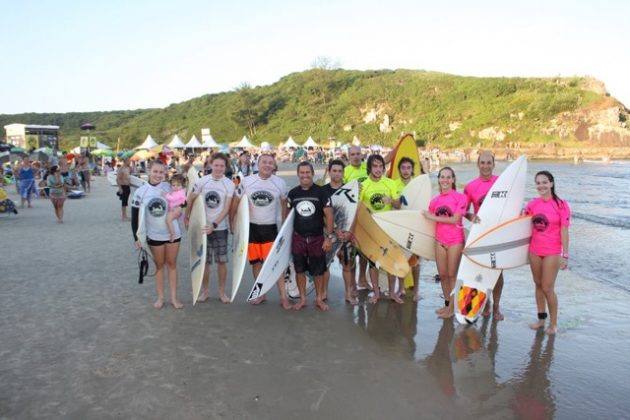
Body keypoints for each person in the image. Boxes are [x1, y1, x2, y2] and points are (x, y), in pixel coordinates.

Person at [230, 154, 292, 309]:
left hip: (270, 228)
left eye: (270, 163)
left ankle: (283, 297)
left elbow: (284, 205)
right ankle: (260, 293)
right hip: (251, 228)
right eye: (264, 162)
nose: (267, 165)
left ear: (274, 166)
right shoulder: (247, 181)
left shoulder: (280, 183)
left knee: (275, 264)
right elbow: (235, 202)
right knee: (256, 263)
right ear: (258, 164)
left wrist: (285, 227)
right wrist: (233, 223)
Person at [131, 160, 183, 309]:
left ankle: (174, 298)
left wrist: (180, 212)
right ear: (148, 171)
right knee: (159, 266)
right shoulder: (141, 191)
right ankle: (160, 297)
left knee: (172, 265)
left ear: (165, 173)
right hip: (154, 235)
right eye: (155, 171)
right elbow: (135, 218)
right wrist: (137, 238)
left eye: (161, 172)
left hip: (173, 234)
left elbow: (183, 200)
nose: (158, 175)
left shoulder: (170, 187)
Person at [524, 171, 570, 335]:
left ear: (551, 183)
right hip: (535, 250)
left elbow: (564, 231)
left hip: (552, 251)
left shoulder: (561, 205)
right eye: (538, 183)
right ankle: (541, 319)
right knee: (537, 284)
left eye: (544, 182)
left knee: (547, 288)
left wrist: (565, 255)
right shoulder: (532, 205)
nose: (541, 186)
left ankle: (554, 324)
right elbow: (522, 224)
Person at [185, 153, 235, 303]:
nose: (219, 168)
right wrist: (187, 216)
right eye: (216, 165)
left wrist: (214, 225)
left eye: (222, 166)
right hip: (202, 226)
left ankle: (221, 292)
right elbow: (191, 198)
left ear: (225, 167)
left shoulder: (229, 184)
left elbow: (226, 208)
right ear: (210, 165)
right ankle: (205, 291)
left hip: (220, 228)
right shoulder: (202, 181)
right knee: (204, 261)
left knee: (221, 261)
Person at [463, 151, 505, 320]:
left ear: (494, 164)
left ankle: (496, 307)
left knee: (497, 272)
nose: (486, 166)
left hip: (499, 233)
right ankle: (485, 303)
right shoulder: (470, 186)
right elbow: (463, 210)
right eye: (483, 163)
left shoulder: (502, 183)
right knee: (481, 270)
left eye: (489, 163)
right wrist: (471, 216)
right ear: (478, 165)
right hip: (480, 233)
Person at [423, 167, 469, 319]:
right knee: (442, 275)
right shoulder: (434, 201)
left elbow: (455, 219)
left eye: (448, 177)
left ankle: (453, 308)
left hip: (455, 241)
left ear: (453, 179)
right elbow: (427, 221)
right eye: (442, 177)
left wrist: (432, 218)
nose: (445, 180)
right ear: (439, 179)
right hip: (439, 241)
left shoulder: (460, 198)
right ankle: (448, 304)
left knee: (452, 275)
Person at [288, 162, 334, 311]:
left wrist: (328, 237)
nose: (305, 175)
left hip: (317, 238)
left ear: (312, 174)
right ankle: (302, 299)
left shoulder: (321, 192)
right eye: (302, 172)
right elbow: (287, 218)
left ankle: (319, 299)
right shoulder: (293, 194)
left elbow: (329, 215)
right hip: (298, 237)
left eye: (308, 172)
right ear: (298, 174)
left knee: (318, 271)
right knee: (299, 270)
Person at [359, 154, 402, 304]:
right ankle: (376, 293)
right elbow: (358, 206)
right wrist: (366, 210)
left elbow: (398, 205)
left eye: (380, 166)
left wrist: (390, 200)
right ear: (370, 168)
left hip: (388, 229)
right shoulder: (363, 185)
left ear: (384, 168)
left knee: (392, 260)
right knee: (373, 262)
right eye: (375, 166)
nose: (378, 169)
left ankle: (392, 293)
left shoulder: (390, 183)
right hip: (372, 230)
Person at [322, 159, 356, 304]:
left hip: (346, 234)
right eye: (334, 171)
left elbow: (355, 213)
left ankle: (348, 294)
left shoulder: (349, 190)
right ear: (329, 172)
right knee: (325, 265)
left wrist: (350, 232)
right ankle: (323, 293)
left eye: (340, 171)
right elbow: (321, 215)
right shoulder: (322, 191)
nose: (337, 174)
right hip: (328, 234)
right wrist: (333, 230)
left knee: (347, 266)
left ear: (343, 173)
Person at [393, 157, 423, 301]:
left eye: (408, 168)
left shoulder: (418, 185)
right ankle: (401, 288)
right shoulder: (393, 185)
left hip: (415, 227)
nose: (406, 170)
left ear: (412, 170)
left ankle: (417, 290)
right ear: (399, 170)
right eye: (403, 168)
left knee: (415, 261)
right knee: (400, 259)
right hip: (399, 227)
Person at [163, 174, 187, 242]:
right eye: (173, 185)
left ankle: (172, 234)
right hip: (174, 209)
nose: (175, 187)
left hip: (176, 210)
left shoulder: (181, 192)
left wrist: (165, 195)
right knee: (169, 220)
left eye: (178, 185)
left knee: (168, 220)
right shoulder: (176, 191)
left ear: (182, 185)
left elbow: (173, 199)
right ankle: (172, 233)